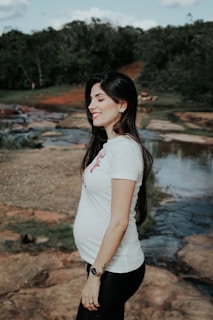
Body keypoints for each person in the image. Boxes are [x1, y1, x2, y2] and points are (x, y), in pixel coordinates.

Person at [73, 71, 153, 320]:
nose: (91, 106)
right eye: (90, 99)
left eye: (99, 99)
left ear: (121, 104)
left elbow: (119, 222)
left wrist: (95, 276)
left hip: (115, 267)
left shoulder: (126, 150)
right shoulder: (108, 146)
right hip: (103, 262)